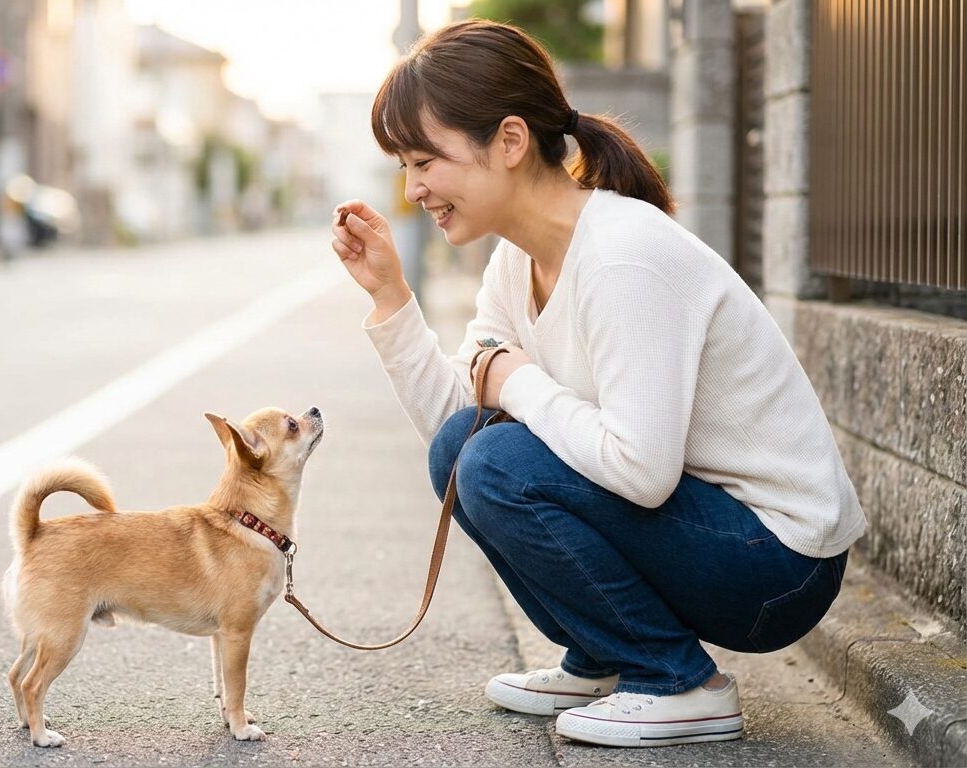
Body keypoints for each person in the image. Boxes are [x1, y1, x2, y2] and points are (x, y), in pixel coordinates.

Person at [330, 19, 864, 749]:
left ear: (510, 142)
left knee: (495, 461)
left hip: (778, 563)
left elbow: (641, 472)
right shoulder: (517, 262)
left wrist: (515, 383)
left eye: (425, 160)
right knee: (465, 451)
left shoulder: (623, 258)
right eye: (405, 165)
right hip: (706, 533)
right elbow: (463, 430)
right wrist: (391, 299)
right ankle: (605, 657)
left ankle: (675, 681)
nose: (413, 187)